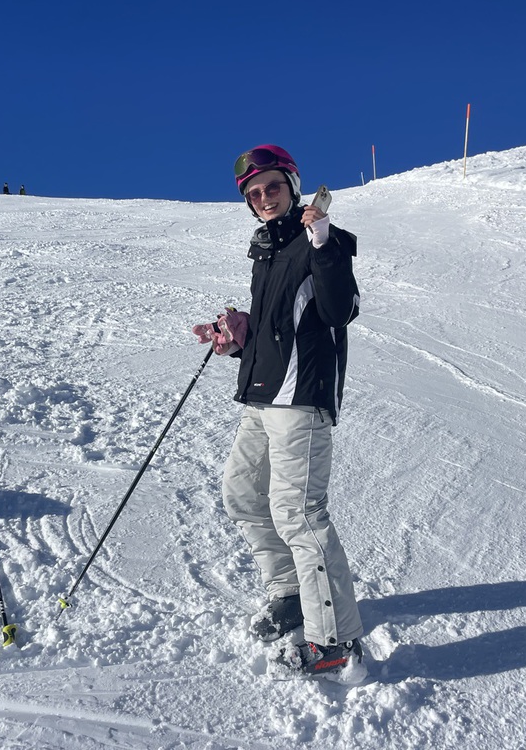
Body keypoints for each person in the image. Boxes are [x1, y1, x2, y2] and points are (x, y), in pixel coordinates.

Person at [192, 144, 364, 676]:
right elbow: (281, 330)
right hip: (263, 395)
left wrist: (324, 241)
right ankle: (290, 592)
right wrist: (237, 339)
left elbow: (340, 309)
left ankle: (334, 640)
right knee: (243, 494)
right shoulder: (267, 251)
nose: (264, 197)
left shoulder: (319, 242)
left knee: (299, 514)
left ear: (293, 187)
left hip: (300, 400)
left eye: (273, 187)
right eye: (254, 192)